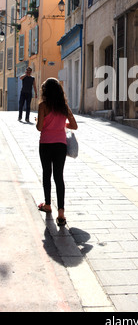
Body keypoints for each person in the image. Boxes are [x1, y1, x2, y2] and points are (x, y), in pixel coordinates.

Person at [36, 78, 78, 227]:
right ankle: (61, 213)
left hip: (46, 144)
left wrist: (42, 121)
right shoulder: (63, 107)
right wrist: (61, 124)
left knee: (46, 173)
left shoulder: (42, 106)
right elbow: (74, 126)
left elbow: (40, 128)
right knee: (59, 176)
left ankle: (47, 205)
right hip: (60, 145)